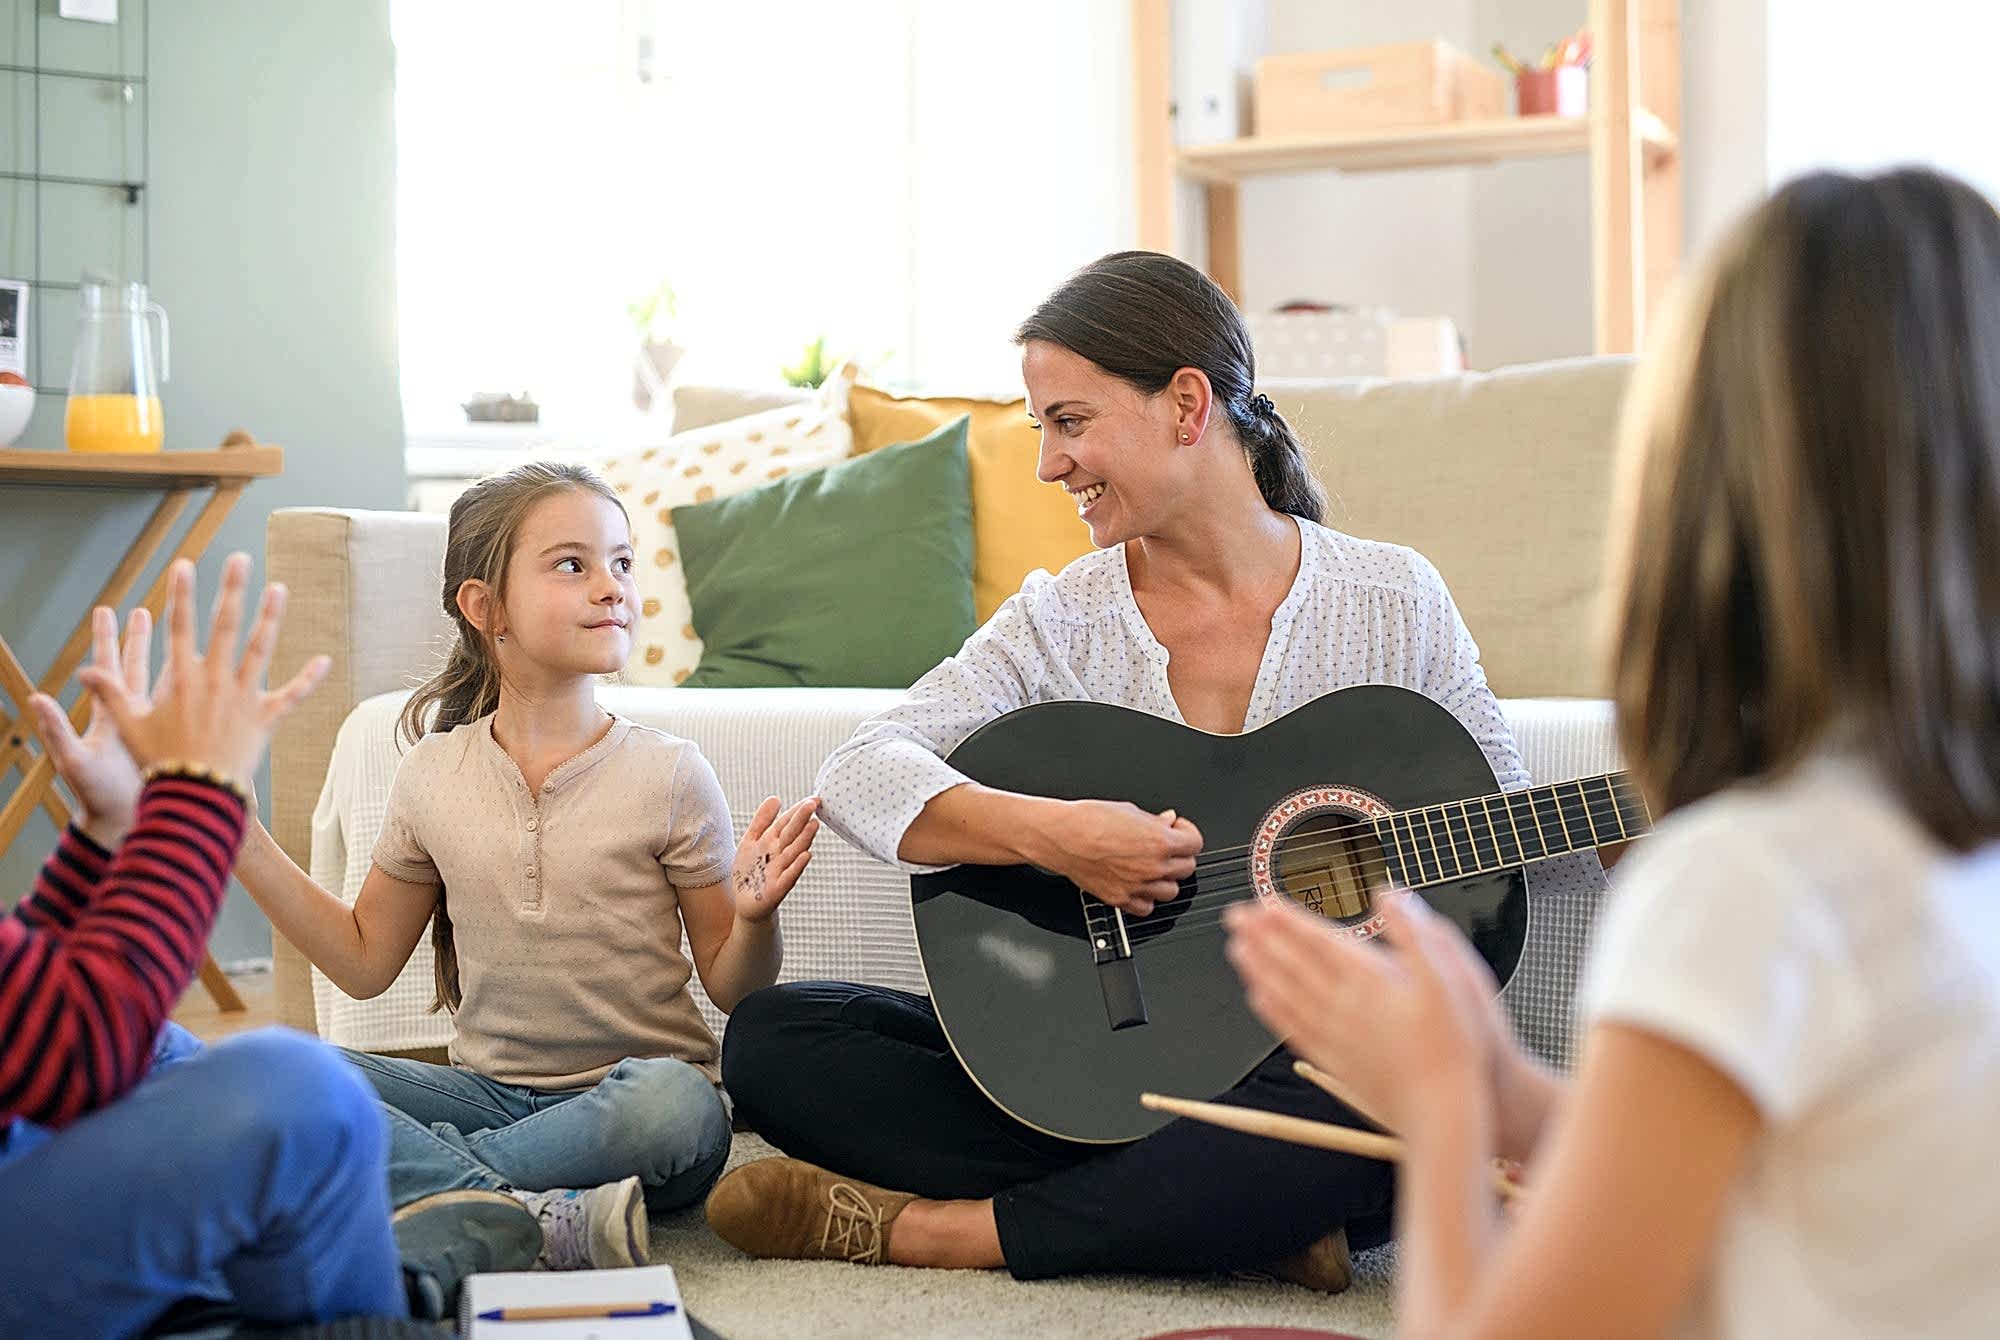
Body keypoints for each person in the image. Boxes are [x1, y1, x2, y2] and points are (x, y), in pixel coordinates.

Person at [705, 251, 1607, 1288]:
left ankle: (943, 1230)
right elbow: (862, 769)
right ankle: (1243, 1213)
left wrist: (1619, 832)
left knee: (1393, 1089)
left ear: (1185, 405)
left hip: (1303, 1068)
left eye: (1068, 421)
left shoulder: (1391, 598)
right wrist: (1060, 837)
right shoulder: (1061, 617)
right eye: (1042, 425)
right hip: (1110, 1053)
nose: (1047, 463)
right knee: (774, 1039)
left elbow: (1490, 822)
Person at [1226, 166, 2000, 1337]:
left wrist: (1433, 1118)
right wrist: (1499, 1089)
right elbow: (1809, 1160)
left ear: (1698, 481)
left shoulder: (1749, 875)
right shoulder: (1937, 835)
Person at [230, 461, 821, 1270]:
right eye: (572, 564)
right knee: (280, 1068)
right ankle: (527, 1211)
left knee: (676, 1106)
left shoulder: (671, 772)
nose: (612, 587)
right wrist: (238, 836)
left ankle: (430, 1184)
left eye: (621, 562)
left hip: (634, 1105)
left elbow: (734, 988)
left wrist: (757, 919)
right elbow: (364, 962)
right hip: (483, 1100)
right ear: (485, 608)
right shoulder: (431, 774)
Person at [0, 556, 540, 1337]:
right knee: (298, 1089)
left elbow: (29, 1018)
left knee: (168, 1050)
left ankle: (357, 1268)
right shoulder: (437, 773)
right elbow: (83, 1050)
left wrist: (106, 832)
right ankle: (391, 1285)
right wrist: (197, 794)